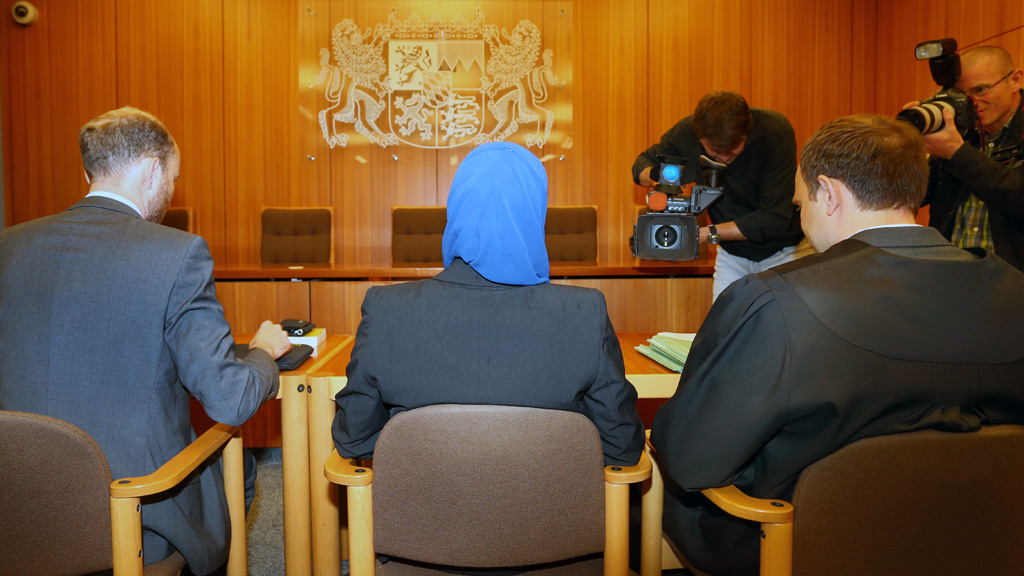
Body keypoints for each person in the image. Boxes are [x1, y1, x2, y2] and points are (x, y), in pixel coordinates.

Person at [649, 115, 1024, 576]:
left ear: (828, 193)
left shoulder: (775, 300)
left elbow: (692, 460)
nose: (800, 216)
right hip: (983, 538)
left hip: (794, 543)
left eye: (799, 202)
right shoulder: (1015, 289)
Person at [0, 107, 292, 576]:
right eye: (174, 177)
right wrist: (261, 351)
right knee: (240, 469)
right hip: (131, 511)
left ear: (87, 172)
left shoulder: (8, 246)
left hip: (16, 510)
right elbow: (230, 399)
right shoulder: (177, 254)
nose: (172, 189)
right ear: (153, 169)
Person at [333, 141, 644, 467]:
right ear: (535, 213)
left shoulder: (387, 310)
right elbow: (621, 445)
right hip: (548, 515)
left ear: (456, 209)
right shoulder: (584, 314)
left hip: (423, 514)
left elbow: (354, 438)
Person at [632, 91, 809, 300]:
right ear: (699, 137)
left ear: (747, 132)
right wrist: (658, 181)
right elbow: (641, 165)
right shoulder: (687, 132)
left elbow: (773, 219)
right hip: (731, 255)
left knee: (782, 329)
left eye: (733, 148)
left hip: (785, 252)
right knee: (723, 328)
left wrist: (705, 234)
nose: (724, 157)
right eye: (716, 151)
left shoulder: (774, 131)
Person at [912, 45, 1024, 271]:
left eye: (981, 89)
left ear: (1015, 80)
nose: (972, 103)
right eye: (963, 95)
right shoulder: (963, 132)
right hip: (952, 278)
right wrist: (908, 146)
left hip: (1011, 285)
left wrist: (957, 153)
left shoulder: (957, 146)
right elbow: (914, 195)